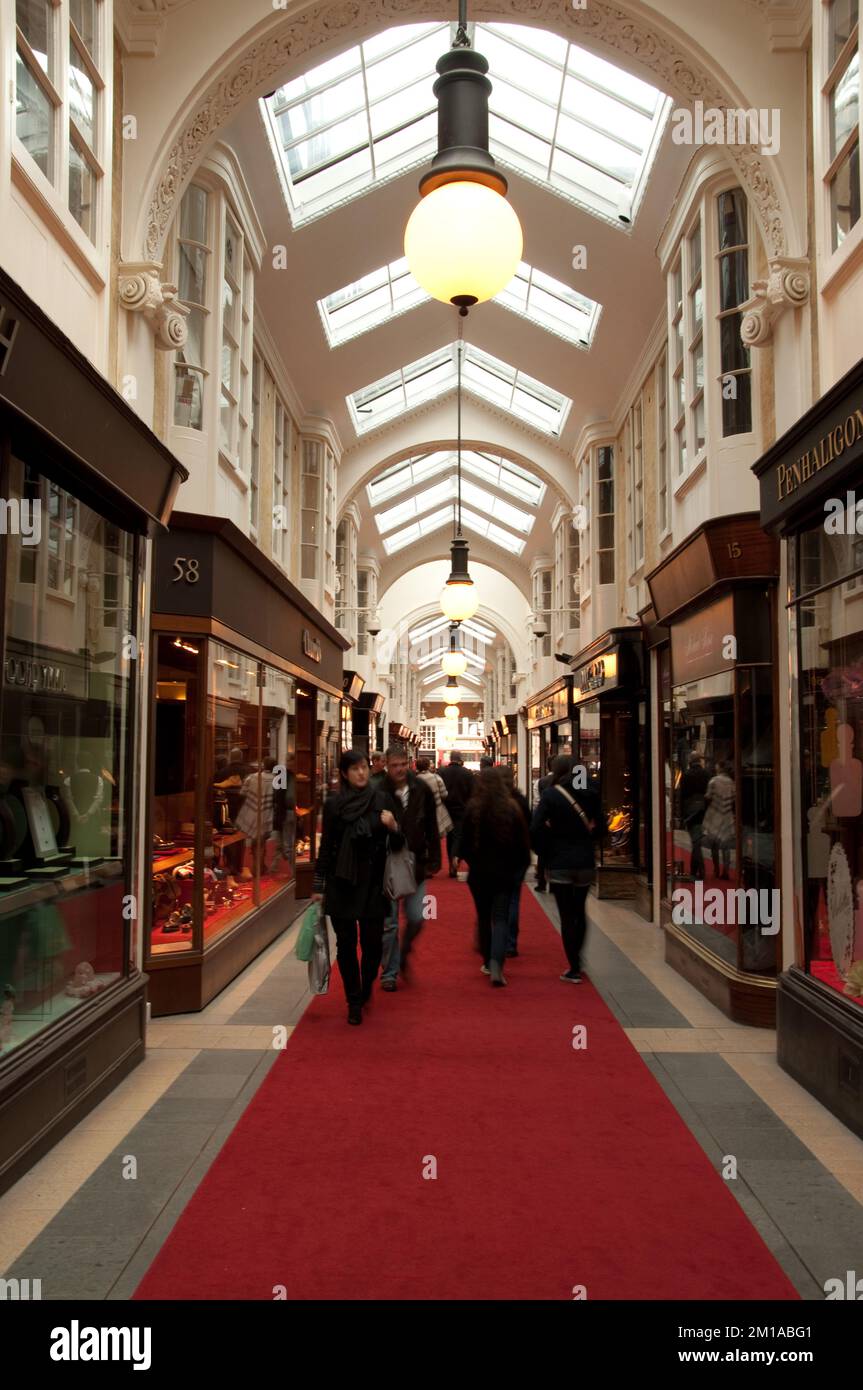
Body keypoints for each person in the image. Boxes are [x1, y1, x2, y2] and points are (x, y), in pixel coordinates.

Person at [312, 750, 399, 1025]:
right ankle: (354, 1000)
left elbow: (398, 846)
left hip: (373, 883)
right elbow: (326, 846)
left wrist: (393, 825)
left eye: (364, 767)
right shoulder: (335, 805)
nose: (361, 773)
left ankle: (365, 986)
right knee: (347, 946)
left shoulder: (382, 799)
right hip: (342, 883)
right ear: (344, 773)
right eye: (355, 769)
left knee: (372, 946)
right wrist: (318, 884)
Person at [531, 755, 605, 983]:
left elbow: (535, 827)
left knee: (566, 914)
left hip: (560, 861)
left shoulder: (552, 795)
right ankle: (578, 958)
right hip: (584, 861)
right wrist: (591, 839)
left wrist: (545, 851)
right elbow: (602, 825)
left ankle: (573, 965)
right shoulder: (591, 792)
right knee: (580, 910)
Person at [459, 769, 531, 987]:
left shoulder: (473, 809)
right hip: (505, 873)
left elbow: (464, 845)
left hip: (480, 875)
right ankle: (497, 961)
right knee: (500, 917)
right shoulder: (511, 809)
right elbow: (523, 845)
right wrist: (519, 868)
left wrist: (471, 862)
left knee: (483, 917)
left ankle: (487, 962)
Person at [380, 746, 441, 989]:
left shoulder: (421, 789)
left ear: (409, 763)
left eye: (402, 764)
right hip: (388, 865)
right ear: (386, 764)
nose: (399, 769)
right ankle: (390, 972)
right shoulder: (379, 791)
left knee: (417, 917)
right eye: (394, 765)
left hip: (416, 863)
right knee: (390, 923)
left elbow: (432, 825)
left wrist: (434, 859)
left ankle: (403, 953)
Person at [500, 764, 531, 957]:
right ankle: (511, 941)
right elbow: (529, 825)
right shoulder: (520, 800)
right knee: (514, 899)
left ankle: (500, 940)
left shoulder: (493, 801)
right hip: (518, 856)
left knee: (499, 901)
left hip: (499, 858)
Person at [438, 750, 474, 876]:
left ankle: (451, 863)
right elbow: (472, 793)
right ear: (460, 759)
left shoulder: (442, 772)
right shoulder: (467, 774)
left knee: (450, 836)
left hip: (446, 809)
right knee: (459, 835)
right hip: (462, 809)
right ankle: (456, 857)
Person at [703, 761, 735, 879]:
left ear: (719, 768)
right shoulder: (731, 782)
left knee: (714, 845)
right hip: (727, 816)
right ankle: (725, 871)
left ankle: (716, 869)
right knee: (726, 846)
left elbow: (708, 796)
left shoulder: (713, 781)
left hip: (715, 816)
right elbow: (734, 797)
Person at [680, 754, 710, 881]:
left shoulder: (686, 775)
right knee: (696, 840)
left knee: (696, 842)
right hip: (703, 810)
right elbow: (709, 795)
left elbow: (682, 796)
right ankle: (696, 870)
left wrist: (681, 815)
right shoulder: (706, 774)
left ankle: (699, 871)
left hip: (690, 811)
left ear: (690, 762)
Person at [533, 755, 556, 892]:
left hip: (545, 823)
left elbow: (537, 804)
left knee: (543, 854)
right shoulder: (567, 781)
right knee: (556, 853)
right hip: (560, 825)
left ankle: (542, 882)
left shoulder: (540, 782)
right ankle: (554, 884)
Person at [415, 756, 452, 839]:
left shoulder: (415, 780)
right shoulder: (436, 778)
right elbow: (444, 794)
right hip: (436, 812)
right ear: (428, 765)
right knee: (434, 839)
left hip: (420, 814)